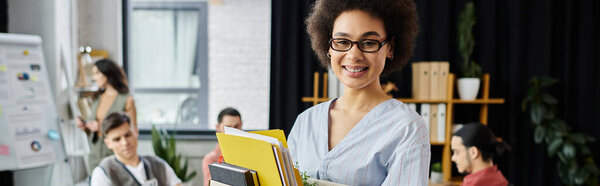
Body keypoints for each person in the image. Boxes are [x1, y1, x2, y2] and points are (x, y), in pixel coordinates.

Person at [288, 0, 430, 185]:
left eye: (369, 42)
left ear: (390, 48)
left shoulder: (406, 129)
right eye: (342, 42)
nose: (353, 55)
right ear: (329, 46)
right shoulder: (306, 122)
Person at [75, 58, 138, 172]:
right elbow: (93, 131)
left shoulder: (126, 99)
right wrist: (85, 126)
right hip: (95, 156)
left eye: (97, 73)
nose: (94, 78)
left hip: (115, 157)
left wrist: (102, 126)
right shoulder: (97, 98)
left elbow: (132, 130)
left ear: (108, 72)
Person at [90, 112, 181, 186]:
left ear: (136, 132)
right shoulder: (103, 173)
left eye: (128, 135)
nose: (125, 143)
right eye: (117, 139)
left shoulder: (159, 165)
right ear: (108, 143)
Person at [201, 107, 243, 186]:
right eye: (228, 127)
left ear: (241, 125)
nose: (233, 132)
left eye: (236, 126)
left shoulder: (248, 154)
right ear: (218, 128)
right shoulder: (210, 159)